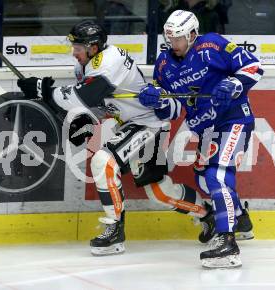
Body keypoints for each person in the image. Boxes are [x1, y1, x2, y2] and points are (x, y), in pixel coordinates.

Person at [16, 20, 216, 256]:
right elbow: (100, 103)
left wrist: (44, 90)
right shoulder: (85, 66)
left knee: (103, 161)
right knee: (160, 193)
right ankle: (207, 214)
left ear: (93, 47)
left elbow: (87, 95)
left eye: (78, 48)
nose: (74, 52)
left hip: (147, 123)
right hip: (133, 123)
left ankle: (114, 231)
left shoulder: (110, 60)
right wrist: (82, 118)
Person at [138, 10, 262, 268]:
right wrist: (157, 101)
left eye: (179, 39)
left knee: (217, 175)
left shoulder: (213, 44)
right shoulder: (163, 64)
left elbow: (253, 66)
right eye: (170, 38)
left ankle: (227, 243)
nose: (174, 44)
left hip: (233, 118)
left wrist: (234, 84)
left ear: (193, 34)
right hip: (204, 127)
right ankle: (239, 217)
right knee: (204, 179)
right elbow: (172, 110)